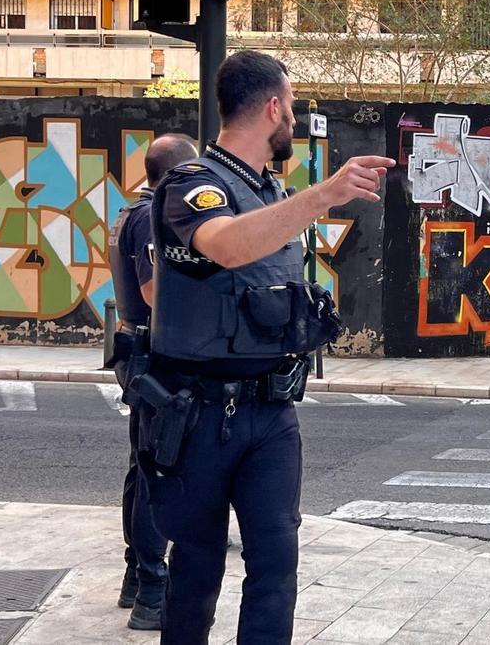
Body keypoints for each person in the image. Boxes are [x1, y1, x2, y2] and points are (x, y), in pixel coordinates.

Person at [144, 50, 395, 643]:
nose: (295, 123)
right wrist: (321, 197)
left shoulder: (265, 190)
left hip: (272, 415)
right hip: (199, 415)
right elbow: (226, 246)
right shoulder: (191, 184)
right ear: (273, 107)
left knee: (276, 571)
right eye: (291, 107)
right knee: (198, 568)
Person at [107, 133, 198, 631]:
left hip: (139, 351)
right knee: (154, 474)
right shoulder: (150, 217)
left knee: (141, 468)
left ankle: (135, 578)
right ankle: (151, 589)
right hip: (155, 358)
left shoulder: (131, 210)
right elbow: (153, 289)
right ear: (179, 174)